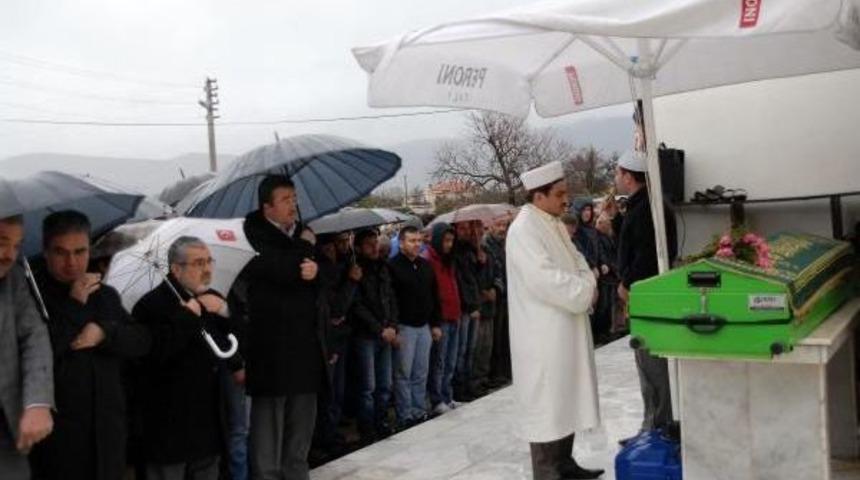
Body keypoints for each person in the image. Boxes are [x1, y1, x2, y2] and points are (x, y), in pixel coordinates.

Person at [30, 210, 151, 480]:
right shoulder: (31, 297)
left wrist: (105, 333)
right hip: (58, 440)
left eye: (80, 251)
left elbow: (141, 340)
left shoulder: (105, 294)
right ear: (46, 252)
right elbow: (39, 356)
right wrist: (74, 305)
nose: (72, 262)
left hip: (108, 433)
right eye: (61, 252)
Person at [507, 162, 603, 480]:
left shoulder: (555, 223)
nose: (566, 200)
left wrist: (587, 282)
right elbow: (544, 279)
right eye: (559, 194)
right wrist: (585, 291)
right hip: (543, 335)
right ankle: (548, 472)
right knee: (547, 404)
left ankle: (565, 464)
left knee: (566, 398)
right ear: (539, 196)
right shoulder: (523, 229)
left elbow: (579, 261)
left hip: (566, 326)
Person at [132, 236, 243, 480]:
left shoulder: (210, 297)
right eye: (199, 263)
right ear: (176, 269)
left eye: (209, 261)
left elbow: (232, 337)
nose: (207, 269)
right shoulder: (151, 305)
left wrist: (224, 311)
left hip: (207, 422)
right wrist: (187, 317)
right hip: (169, 424)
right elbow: (154, 353)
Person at [242, 175, 327, 480]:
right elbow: (277, 270)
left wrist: (316, 271)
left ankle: (297, 474)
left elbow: (320, 284)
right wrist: (304, 247)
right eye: (285, 200)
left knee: (301, 429)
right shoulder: (252, 236)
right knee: (269, 429)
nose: (293, 205)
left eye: (294, 198)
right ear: (267, 207)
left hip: (305, 345)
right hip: (271, 348)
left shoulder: (302, 233)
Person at [614, 151, 678, 445]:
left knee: (651, 364)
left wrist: (627, 284)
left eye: (619, 173)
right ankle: (654, 424)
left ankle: (655, 429)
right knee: (649, 363)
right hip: (649, 292)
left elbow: (645, 255)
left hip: (645, 294)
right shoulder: (644, 204)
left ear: (629, 176)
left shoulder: (645, 208)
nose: (617, 179)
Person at [0, 215, 53, 480]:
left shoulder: (14, 279)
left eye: (17, 245)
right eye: (2, 243)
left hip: (6, 430)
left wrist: (37, 402)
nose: (10, 255)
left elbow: (34, 336)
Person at [388, 226, 442, 429]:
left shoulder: (425, 265)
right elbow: (391, 300)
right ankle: (405, 414)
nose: (416, 244)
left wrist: (435, 324)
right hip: (404, 327)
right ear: (401, 243)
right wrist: (394, 327)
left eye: (419, 240)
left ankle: (419, 410)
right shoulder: (392, 266)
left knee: (421, 372)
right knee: (403, 373)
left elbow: (434, 296)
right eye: (412, 241)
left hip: (424, 326)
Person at [350, 229, 398, 442]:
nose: (374, 248)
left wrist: (392, 326)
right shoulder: (356, 270)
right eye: (369, 244)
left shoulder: (383, 267)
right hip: (366, 335)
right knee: (367, 387)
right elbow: (357, 306)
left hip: (386, 333)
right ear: (359, 248)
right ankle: (367, 427)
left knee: (385, 384)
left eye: (375, 243)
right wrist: (379, 329)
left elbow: (392, 298)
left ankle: (382, 421)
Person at [314, 232, 360, 453]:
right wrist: (351, 281)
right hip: (329, 338)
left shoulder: (343, 265)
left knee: (339, 391)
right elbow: (336, 308)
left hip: (342, 334)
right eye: (330, 247)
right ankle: (326, 436)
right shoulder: (323, 273)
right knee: (330, 392)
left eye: (342, 243)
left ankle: (333, 431)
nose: (335, 250)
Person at [423, 223, 461, 415]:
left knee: (450, 361)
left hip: (454, 314)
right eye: (446, 240)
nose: (449, 245)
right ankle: (436, 400)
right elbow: (430, 293)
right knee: (438, 362)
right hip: (441, 318)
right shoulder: (428, 259)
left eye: (451, 241)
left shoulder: (449, 260)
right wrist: (434, 322)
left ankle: (447, 396)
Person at [451, 221, 481, 402]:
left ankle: (469, 384)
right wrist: (470, 306)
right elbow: (460, 282)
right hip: (464, 308)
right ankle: (459, 388)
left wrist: (480, 258)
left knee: (471, 349)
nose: (467, 232)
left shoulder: (470, 249)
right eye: (462, 228)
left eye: (468, 229)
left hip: (474, 304)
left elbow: (475, 277)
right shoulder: (454, 253)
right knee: (461, 350)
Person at [483, 214, 512, 386]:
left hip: (506, 295)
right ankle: (495, 373)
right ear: (491, 225)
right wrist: (497, 286)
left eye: (504, 225)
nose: (502, 229)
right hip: (495, 297)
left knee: (504, 336)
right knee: (495, 338)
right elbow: (493, 271)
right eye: (499, 225)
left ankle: (504, 370)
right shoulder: (487, 245)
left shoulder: (504, 244)